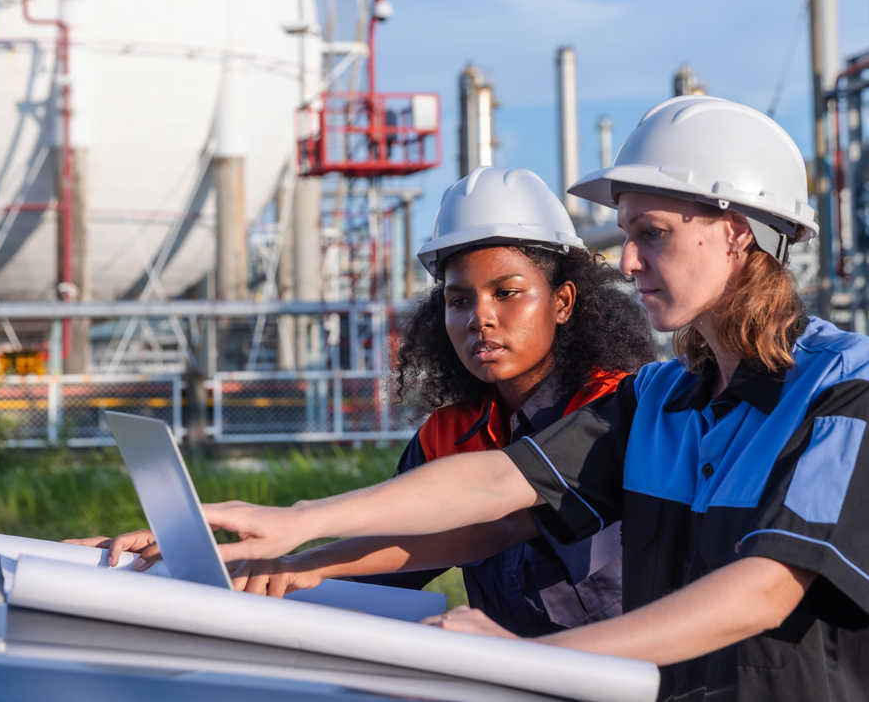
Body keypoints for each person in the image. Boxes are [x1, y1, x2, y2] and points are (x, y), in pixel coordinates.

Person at [101, 97, 869, 701]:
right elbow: (501, 483)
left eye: (651, 233)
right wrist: (296, 524)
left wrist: (530, 662)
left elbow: (766, 588)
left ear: (735, 234)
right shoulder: (660, 397)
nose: (626, 260)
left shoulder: (843, 390)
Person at [229, 167, 655, 637]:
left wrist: (304, 531)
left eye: (507, 293)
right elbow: (401, 556)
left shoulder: (614, 408)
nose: (481, 318)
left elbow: (498, 512)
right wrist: (250, 569)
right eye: (459, 300)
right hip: (501, 678)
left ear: (563, 301)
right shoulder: (449, 434)